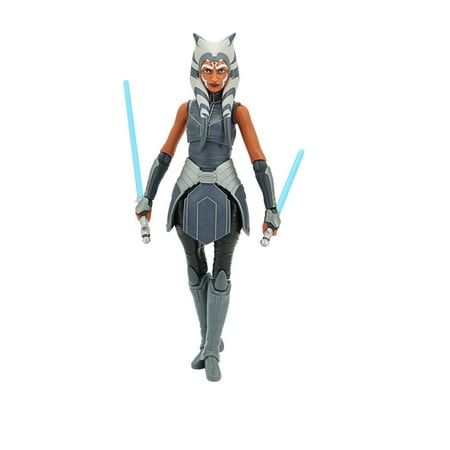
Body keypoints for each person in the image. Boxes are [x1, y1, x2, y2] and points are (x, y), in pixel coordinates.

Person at [135, 33, 280, 382]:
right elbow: (165, 154)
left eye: (220, 70)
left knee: (221, 274)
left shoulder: (239, 112)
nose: (214, 76)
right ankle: (209, 340)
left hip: (227, 196)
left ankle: (211, 349)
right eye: (208, 69)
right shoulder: (185, 110)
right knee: (194, 271)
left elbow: (258, 160)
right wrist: (148, 197)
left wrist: (270, 207)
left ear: (231, 71)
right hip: (187, 195)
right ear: (197, 71)